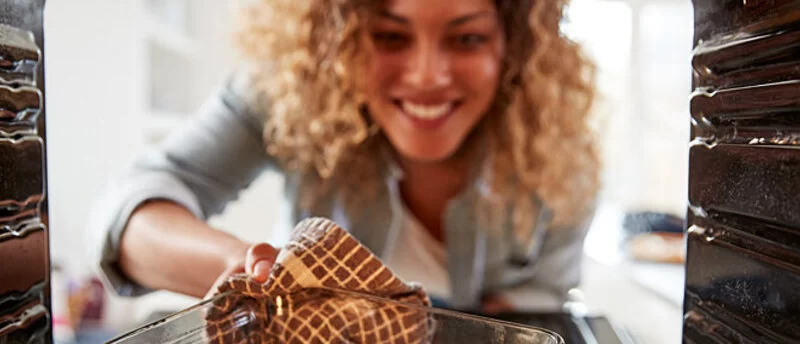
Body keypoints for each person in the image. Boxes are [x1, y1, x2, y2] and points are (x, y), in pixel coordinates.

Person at [89, 0, 599, 313]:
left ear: (512, 45)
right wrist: (250, 273)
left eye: (467, 38)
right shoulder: (287, 92)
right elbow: (128, 213)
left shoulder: (557, 152)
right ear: (340, 39)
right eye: (389, 36)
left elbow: (536, 313)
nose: (427, 75)